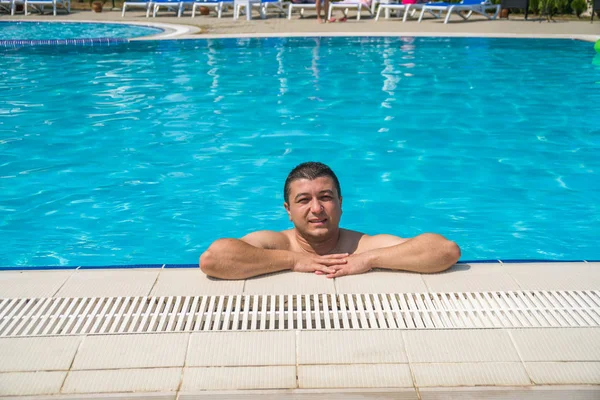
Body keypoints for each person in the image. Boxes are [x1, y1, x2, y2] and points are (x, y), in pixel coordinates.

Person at [200, 162, 461, 280]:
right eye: (303, 200)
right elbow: (213, 259)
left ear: (340, 203)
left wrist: (369, 259)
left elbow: (445, 250)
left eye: (325, 197)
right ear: (288, 210)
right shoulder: (276, 243)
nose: (316, 208)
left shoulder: (361, 246)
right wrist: (293, 260)